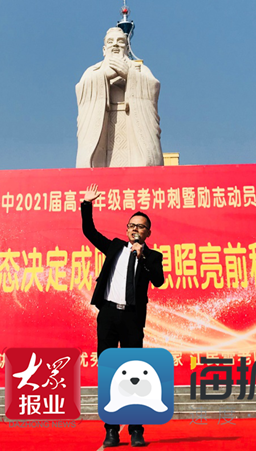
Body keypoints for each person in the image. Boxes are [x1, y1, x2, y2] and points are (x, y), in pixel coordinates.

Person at [81, 183, 165, 447]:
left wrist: (142, 257)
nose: (135, 229)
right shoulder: (115, 247)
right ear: (126, 229)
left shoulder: (153, 257)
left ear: (148, 232)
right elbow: (89, 231)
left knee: (134, 374)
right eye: (131, 225)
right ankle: (111, 430)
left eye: (140, 226)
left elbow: (159, 281)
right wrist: (86, 204)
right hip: (108, 316)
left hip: (132, 320)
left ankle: (136, 430)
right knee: (109, 373)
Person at [75, 28, 163, 168]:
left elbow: (153, 87)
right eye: (110, 42)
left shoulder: (140, 70)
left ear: (127, 48)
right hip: (104, 127)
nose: (115, 44)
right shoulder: (93, 72)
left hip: (131, 126)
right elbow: (81, 90)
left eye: (120, 41)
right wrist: (103, 76)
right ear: (104, 50)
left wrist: (130, 75)